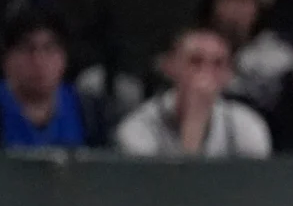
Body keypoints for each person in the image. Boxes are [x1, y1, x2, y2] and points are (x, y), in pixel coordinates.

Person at [0, 9, 97, 150]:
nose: (38, 61)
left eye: (49, 49)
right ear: (7, 59)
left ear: (64, 58)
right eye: (27, 49)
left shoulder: (86, 110)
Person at [115, 27, 274, 158]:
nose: (206, 72)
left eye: (218, 64)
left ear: (228, 74)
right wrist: (194, 122)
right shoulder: (138, 128)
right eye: (195, 61)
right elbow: (171, 192)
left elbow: (255, 190)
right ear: (170, 67)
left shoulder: (247, 125)